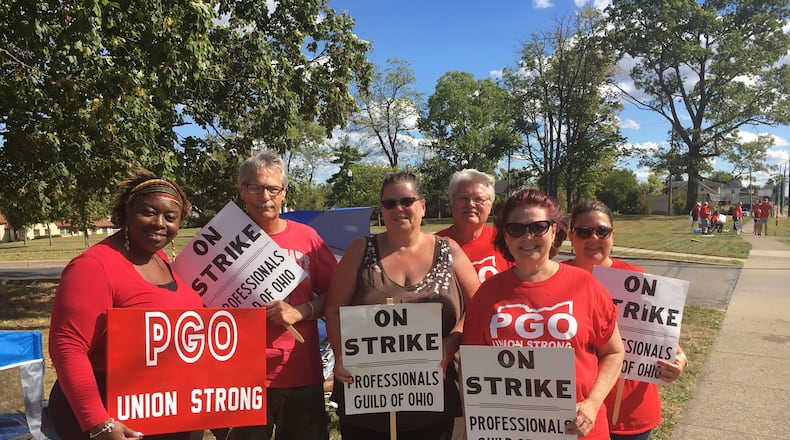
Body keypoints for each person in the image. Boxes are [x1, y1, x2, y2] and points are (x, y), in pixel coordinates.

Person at [325, 171, 480, 439]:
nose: (398, 209)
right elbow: (334, 310)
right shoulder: (360, 249)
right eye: (389, 203)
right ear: (382, 211)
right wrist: (340, 355)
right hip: (369, 399)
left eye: (406, 201)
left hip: (434, 396)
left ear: (422, 206)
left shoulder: (449, 250)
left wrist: (450, 343)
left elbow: (479, 309)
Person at [48, 170, 201, 440]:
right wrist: (98, 423)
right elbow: (68, 347)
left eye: (170, 217)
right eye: (149, 212)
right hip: (111, 414)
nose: (159, 223)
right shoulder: (94, 266)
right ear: (126, 212)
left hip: (163, 407)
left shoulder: (159, 258)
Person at [461, 188, 625, 440]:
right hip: (510, 431)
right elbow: (471, 367)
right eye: (516, 228)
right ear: (504, 235)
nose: (527, 237)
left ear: (555, 231)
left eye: (538, 227)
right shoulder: (486, 294)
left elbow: (614, 352)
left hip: (579, 431)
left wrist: (592, 403)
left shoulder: (586, 286)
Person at [213, 150, 338, 440]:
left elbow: (337, 294)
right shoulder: (221, 239)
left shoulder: (307, 238)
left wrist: (302, 311)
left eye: (272, 188)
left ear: (283, 192)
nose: (264, 196)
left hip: (300, 373)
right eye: (255, 187)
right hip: (240, 377)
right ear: (243, 190)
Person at [563, 200, 688, 440]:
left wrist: (679, 361)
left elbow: (666, 342)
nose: (593, 238)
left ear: (612, 235)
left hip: (629, 411)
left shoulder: (637, 279)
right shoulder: (557, 279)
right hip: (575, 411)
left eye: (602, 231)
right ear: (572, 236)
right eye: (584, 232)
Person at [436, 169, 514, 282]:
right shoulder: (434, 246)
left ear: (490, 205)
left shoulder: (506, 240)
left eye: (478, 199)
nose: (470, 204)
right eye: (464, 198)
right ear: (452, 201)